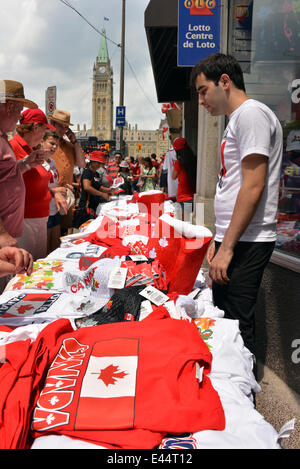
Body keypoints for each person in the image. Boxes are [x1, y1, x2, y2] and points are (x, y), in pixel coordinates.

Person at [191, 53, 283, 355]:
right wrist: (220, 239)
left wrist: (228, 246)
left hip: (248, 239)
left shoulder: (251, 114)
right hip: (235, 236)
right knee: (226, 320)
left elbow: (253, 185)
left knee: (237, 325)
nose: (202, 101)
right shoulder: (237, 120)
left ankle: (244, 397)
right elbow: (230, 185)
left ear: (225, 82)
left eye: (204, 91)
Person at [0, 79, 44, 292]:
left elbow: (6, 175)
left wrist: (26, 164)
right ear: (9, 106)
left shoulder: (2, 138)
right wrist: (1, 233)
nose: (20, 117)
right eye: (19, 110)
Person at [10, 108, 67, 261]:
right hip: (24, 221)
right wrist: (25, 164)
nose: (44, 134)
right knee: (24, 269)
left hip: (38, 219)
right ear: (36, 127)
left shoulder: (32, 149)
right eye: (44, 129)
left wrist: (54, 192)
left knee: (35, 266)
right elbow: (7, 177)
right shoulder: (13, 147)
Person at [49, 109, 86, 235]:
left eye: (66, 127)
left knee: (64, 234)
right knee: (49, 236)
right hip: (50, 196)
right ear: (52, 124)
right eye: (60, 126)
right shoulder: (45, 144)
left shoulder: (69, 146)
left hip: (66, 197)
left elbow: (82, 164)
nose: (63, 130)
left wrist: (74, 141)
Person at [41, 130, 72, 254]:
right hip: (43, 211)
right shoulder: (38, 161)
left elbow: (52, 183)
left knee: (55, 247)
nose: (54, 147)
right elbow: (35, 187)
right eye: (51, 143)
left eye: (56, 145)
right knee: (44, 250)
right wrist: (57, 190)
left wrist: (64, 187)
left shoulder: (52, 162)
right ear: (42, 142)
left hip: (54, 208)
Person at [73, 151, 110, 229]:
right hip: (87, 207)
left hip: (94, 206)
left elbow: (99, 187)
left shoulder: (96, 174)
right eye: (97, 162)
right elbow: (87, 187)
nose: (98, 165)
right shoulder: (87, 172)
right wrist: (102, 194)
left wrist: (110, 190)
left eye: (100, 163)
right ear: (92, 161)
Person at [171, 137, 197, 221]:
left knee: (182, 228)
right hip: (195, 199)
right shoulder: (195, 160)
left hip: (183, 199)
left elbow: (173, 176)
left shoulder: (179, 163)